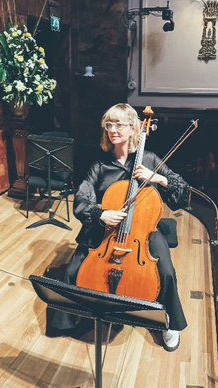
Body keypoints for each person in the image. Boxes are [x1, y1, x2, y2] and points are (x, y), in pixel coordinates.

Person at [46, 103, 188, 351]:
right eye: (108, 124)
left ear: (134, 128)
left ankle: (169, 323)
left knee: (165, 271)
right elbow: (81, 198)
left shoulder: (150, 159)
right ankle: (69, 320)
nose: (113, 129)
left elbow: (181, 190)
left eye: (119, 124)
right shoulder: (100, 165)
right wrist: (101, 213)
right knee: (73, 270)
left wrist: (157, 178)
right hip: (108, 230)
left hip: (143, 230)